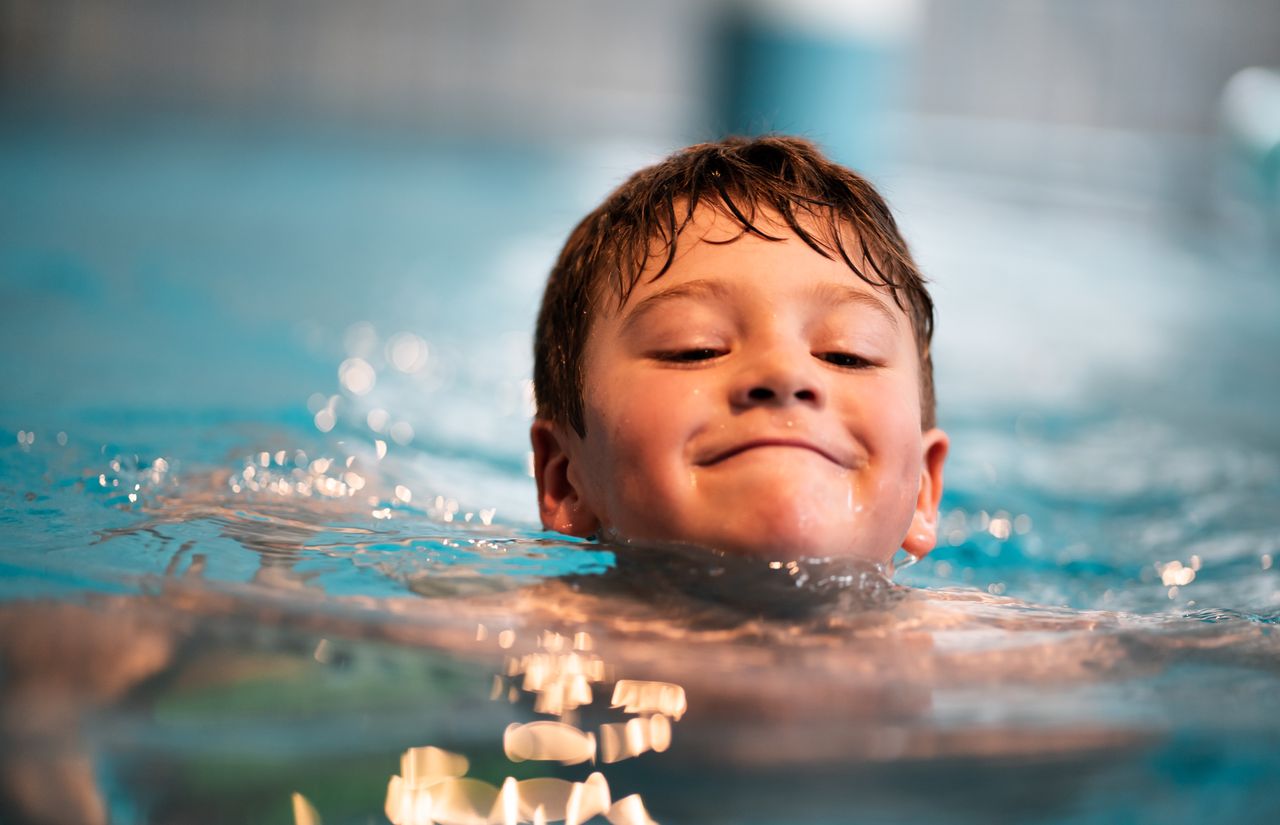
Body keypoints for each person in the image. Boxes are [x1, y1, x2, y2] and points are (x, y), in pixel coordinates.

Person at [530, 135, 948, 565]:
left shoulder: (995, 631)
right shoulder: (505, 622)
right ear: (565, 479)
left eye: (848, 355)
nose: (784, 374)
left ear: (922, 489)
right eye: (696, 348)